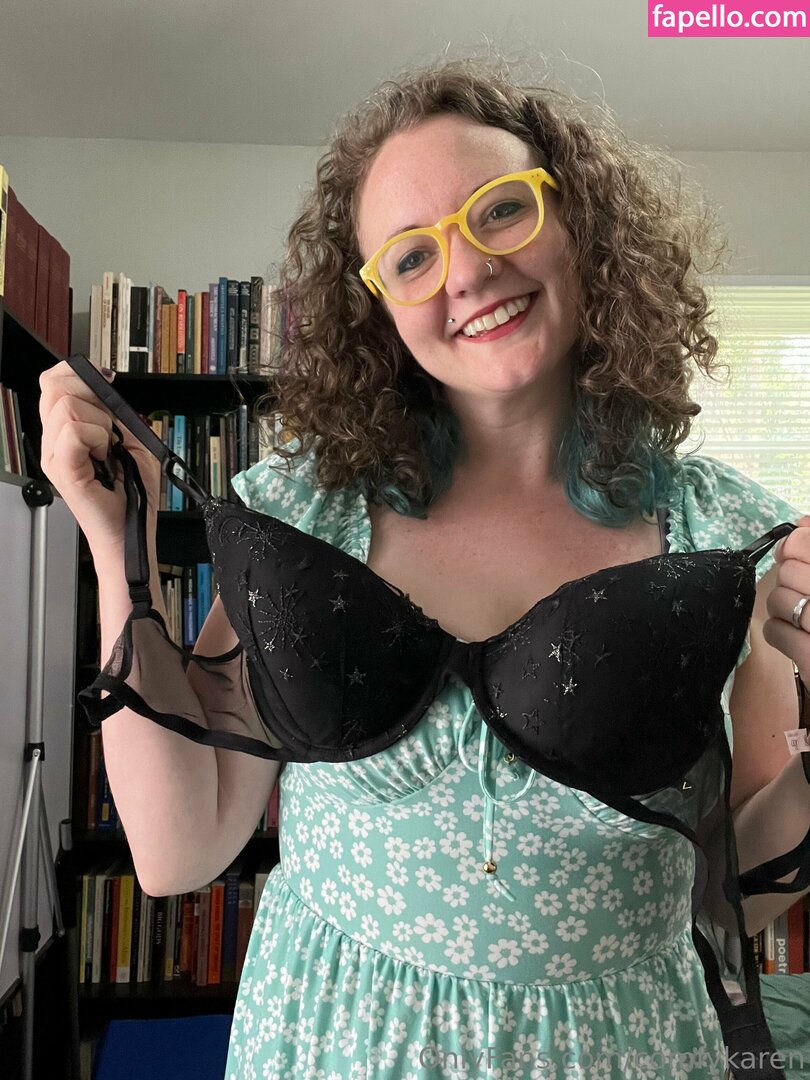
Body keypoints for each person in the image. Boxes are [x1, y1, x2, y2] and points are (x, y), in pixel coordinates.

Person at [39, 59, 810, 1080]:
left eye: (501, 210)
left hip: (616, 1048)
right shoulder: (306, 516)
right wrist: (117, 544)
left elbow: (738, 894)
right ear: (379, 310)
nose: (468, 271)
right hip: (333, 1037)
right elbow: (181, 850)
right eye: (411, 256)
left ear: (580, 221)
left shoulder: (725, 541)